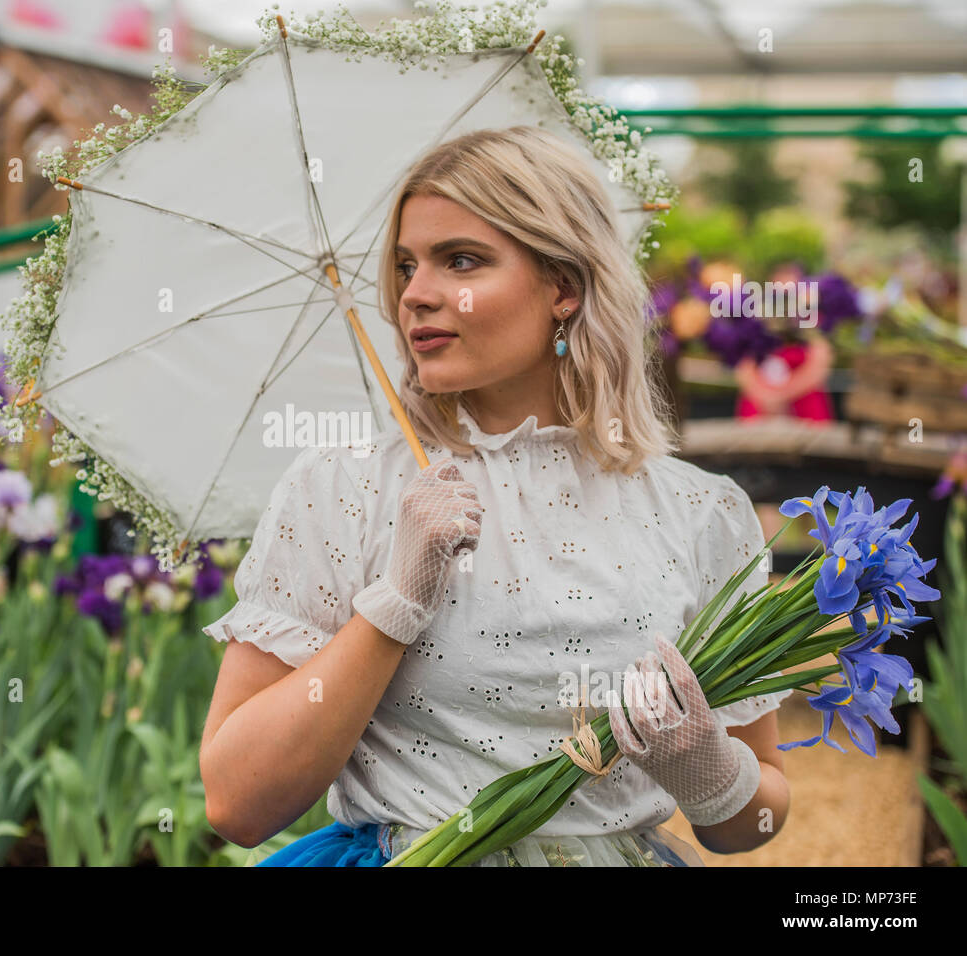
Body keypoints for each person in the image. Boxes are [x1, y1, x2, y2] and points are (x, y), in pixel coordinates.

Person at [199, 126, 792, 867]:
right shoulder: (342, 488)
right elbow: (235, 803)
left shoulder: (700, 512)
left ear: (564, 288)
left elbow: (755, 826)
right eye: (407, 265)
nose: (415, 293)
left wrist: (707, 770)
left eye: (462, 261)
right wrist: (393, 605)